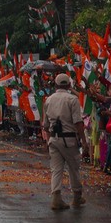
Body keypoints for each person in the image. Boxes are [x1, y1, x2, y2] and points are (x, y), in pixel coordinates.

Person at [41, 73, 89, 210]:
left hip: (54, 139)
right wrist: (84, 141)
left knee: (56, 170)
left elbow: (45, 125)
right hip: (69, 140)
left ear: (55, 85)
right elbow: (78, 123)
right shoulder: (72, 99)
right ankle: (77, 197)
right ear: (69, 85)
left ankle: (56, 198)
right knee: (73, 168)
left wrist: (49, 140)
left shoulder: (49, 100)